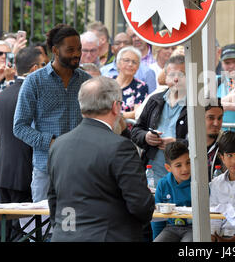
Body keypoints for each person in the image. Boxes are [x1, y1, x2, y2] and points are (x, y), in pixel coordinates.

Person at [48, 76, 155, 241]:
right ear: (115, 107)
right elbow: (140, 204)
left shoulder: (59, 145)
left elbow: (54, 198)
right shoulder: (120, 146)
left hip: (64, 235)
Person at [13, 24, 92, 202]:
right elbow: (19, 127)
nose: (77, 54)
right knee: (44, 226)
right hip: (46, 169)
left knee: (77, 226)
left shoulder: (87, 81)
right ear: (55, 50)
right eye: (70, 49)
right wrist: (53, 142)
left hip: (81, 170)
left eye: (79, 48)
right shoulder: (34, 81)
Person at [0, 47, 45, 241]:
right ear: (34, 69)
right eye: (44, 65)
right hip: (24, 173)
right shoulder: (31, 95)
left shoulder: (5, 94)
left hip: (4, 172)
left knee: (4, 234)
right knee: (22, 233)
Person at [131, 55, 188, 183]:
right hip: (152, 174)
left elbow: (205, 142)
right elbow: (136, 131)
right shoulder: (155, 100)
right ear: (165, 77)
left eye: (182, 74)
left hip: (184, 176)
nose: (176, 79)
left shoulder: (197, 105)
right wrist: (146, 137)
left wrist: (178, 143)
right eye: (172, 74)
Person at [152, 141, 192, 242]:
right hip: (171, 228)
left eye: (188, 162)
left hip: (193, 228)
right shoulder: (163, 184)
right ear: (168, 168)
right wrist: (156, 238)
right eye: (178, 165)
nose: (185, 169)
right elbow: (158, 218)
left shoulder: (198, 183)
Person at [114, 46, 148, 120]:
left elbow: (137, 113)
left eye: (134, 62)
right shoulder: (107, 82)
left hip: (127, 128)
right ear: (118, 63)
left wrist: (115, 116)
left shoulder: (141, 86)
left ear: (138, 66)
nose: (130, 64)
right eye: (126, 60)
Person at [205, 104, 224, 181]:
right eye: (211, 118)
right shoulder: (187, 144)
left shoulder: (229, 143)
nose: (216, 123)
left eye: (219, 118)